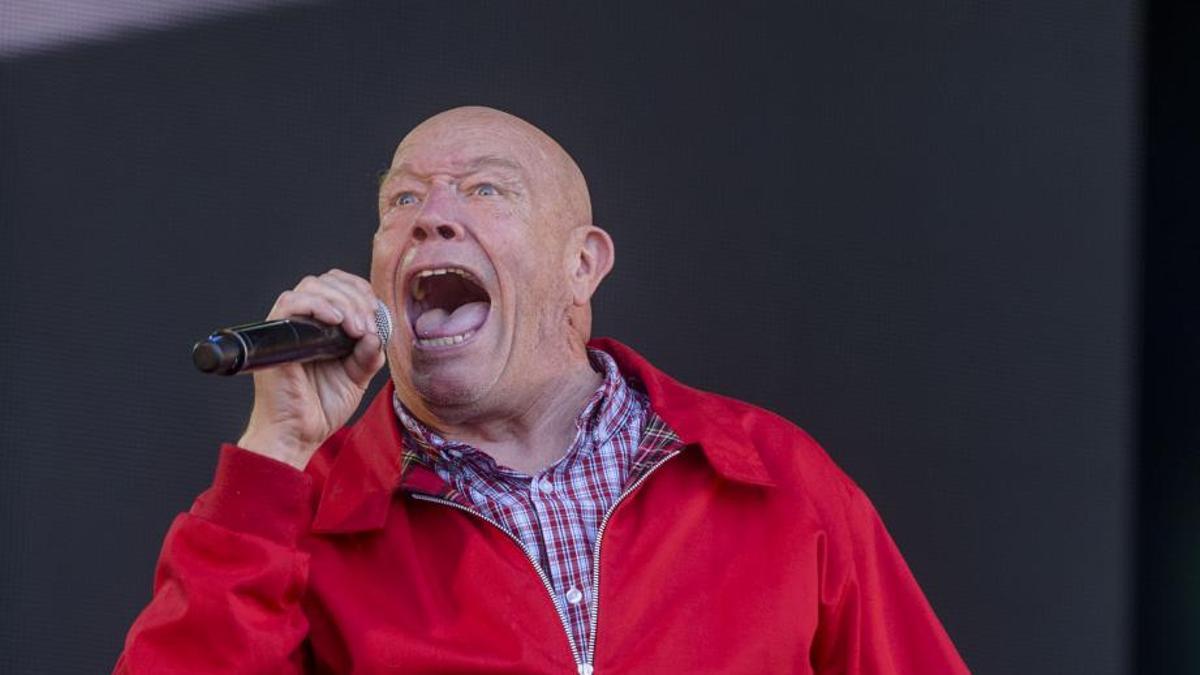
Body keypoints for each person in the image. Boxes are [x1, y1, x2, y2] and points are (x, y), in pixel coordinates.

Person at [115, 106, 970, 674]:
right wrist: (279, 453)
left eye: (486, 189)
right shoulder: (305, 517)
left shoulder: (773, 477)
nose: (431, 215)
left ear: (581, 264)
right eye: (402, 199)